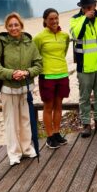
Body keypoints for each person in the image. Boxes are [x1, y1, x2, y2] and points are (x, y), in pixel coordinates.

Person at [0, 12, 43, 166]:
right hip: (8, 89)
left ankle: (26, 148)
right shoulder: (0, 44)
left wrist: (27, 72)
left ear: (21, 26)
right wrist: (11, 74)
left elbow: (39, 64)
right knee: (11, 123)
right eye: (10, 25)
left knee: (25, 121)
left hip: (25, 89)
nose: (14, 28)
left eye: (16, 25)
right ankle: (14, 153)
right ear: (6, 27)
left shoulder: (29, 43)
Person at [70, 0, 97, 138]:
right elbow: (77, 36)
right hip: (85, 67)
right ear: (81, 8)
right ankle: (86, 124)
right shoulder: (75, 20)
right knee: (84, 97)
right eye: (85, 7)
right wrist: (85, 19)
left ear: (95, 5)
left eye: (90, 6)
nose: (88, 9)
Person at [33, 8, 70, 149]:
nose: (54, 21)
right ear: (45, 20)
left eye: (56, 18)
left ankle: (56, 133)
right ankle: (49, 136)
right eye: (51, 19)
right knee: (48, 106)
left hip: (62, 74)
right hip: (47, 75)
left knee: (59, 105)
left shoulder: (64, 36)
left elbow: (64, 52)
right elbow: (35, 56)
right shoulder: (39, 37)